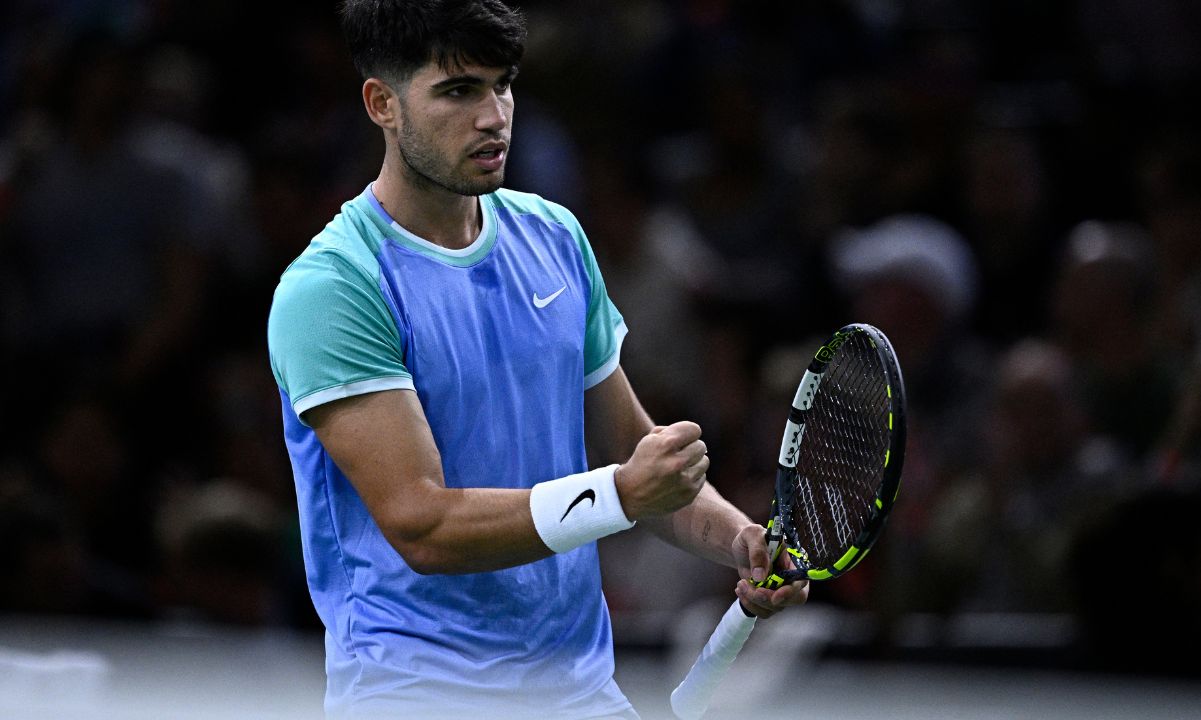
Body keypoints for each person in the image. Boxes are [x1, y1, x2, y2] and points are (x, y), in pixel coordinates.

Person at [265, 1, 808, 717]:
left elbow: (635, 454)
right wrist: (620, 493)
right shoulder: (336, 288)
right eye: (459, 90)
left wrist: (738, 538)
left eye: (504, 84)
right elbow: (421, 524)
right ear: (382, 104)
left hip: (580, 692)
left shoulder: (554, 237)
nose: (494, 116)